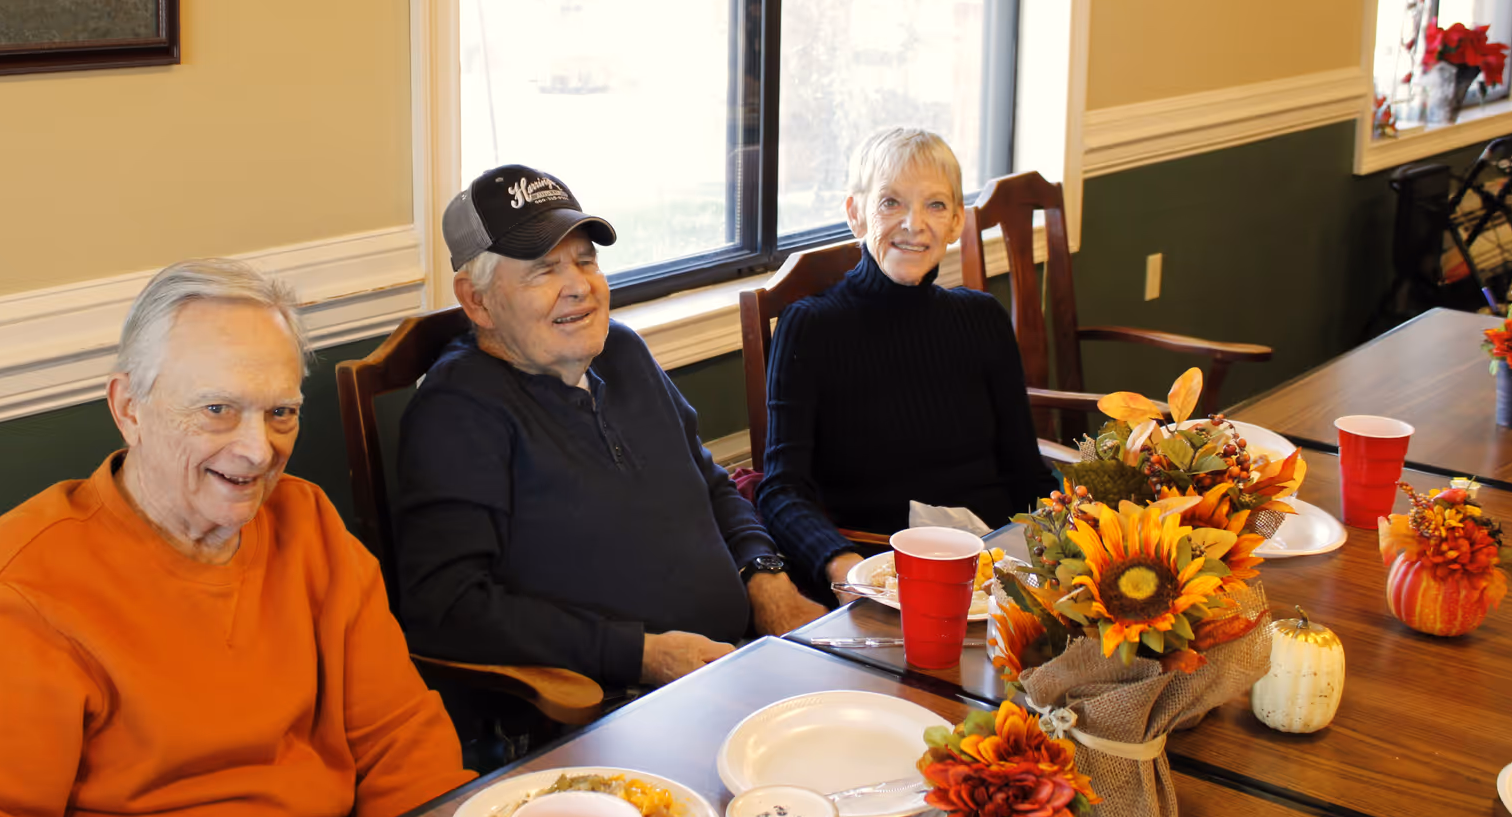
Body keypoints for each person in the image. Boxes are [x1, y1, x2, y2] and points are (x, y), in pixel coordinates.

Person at [0, 259, 471, 817]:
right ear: (129, 408)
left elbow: (399, 743)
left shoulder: (308, 524)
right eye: (217, 409)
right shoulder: (11, 593)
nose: (257, 450)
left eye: (281, 413)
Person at [395, 165, 827, 693]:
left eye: (585, 260)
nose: (579, 287)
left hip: (740, 663)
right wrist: (641, 655)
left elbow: (710, 484)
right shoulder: (458, 411)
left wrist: (766, 578)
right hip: (617, 706)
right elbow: (446, 607)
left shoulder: (621, 350)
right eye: (543, 270)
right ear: (477, 301)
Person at [754, 128, 1053, 598]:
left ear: (957, 222)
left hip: (1003, 566)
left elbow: (1026, 471)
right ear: (855, 213)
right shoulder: (812, 327)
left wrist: (1069, 541)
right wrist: (844, 567)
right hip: (888, 576)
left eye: (935, 205)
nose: (914, 224)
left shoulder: (982, 319)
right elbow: (781, 491)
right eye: (890, 202)